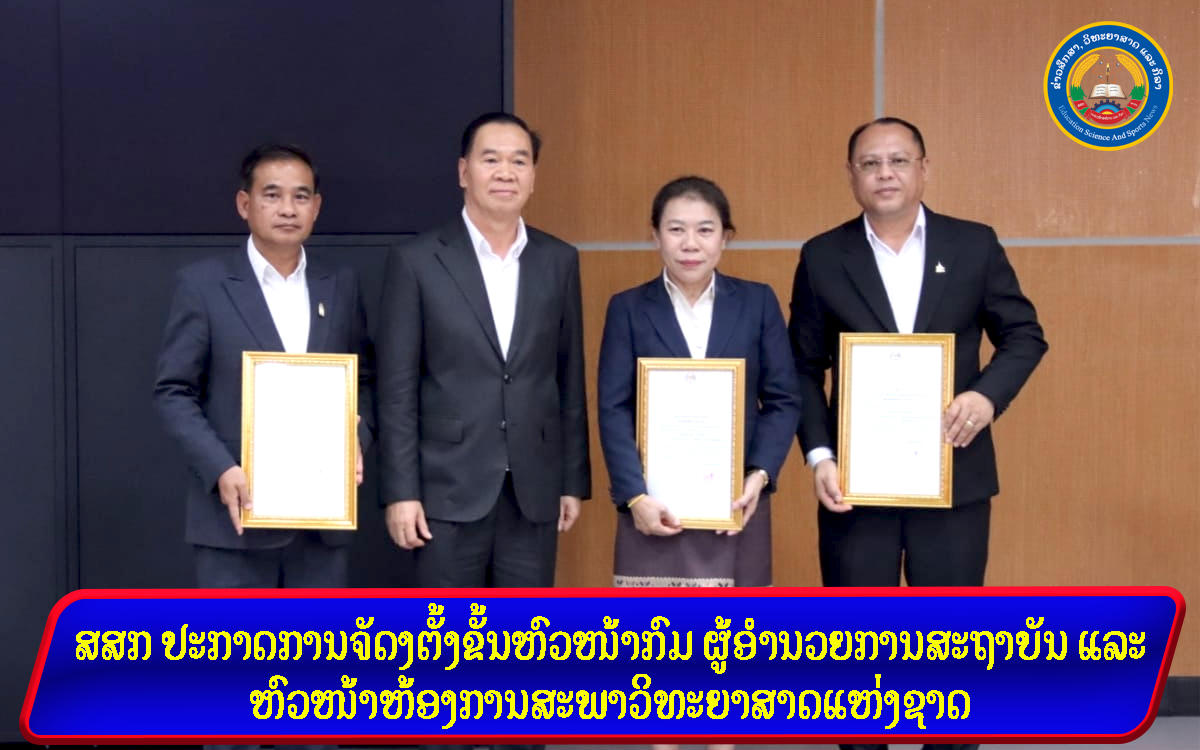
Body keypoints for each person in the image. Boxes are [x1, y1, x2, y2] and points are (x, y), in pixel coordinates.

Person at [788, 117, 1046, 750]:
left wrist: (986, 396)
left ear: (924, 169)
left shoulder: (973, 244)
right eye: (870, 163)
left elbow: (1023, 335)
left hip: (954, 475)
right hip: (855, 484)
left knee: (953, 649)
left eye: (898, 161)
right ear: (851, 175)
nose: (885, 174)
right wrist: (820, 455)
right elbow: (802, 367)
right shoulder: (822, 255)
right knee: (853, 653)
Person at [154, 143, 375, 750]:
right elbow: (173, 391)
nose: (287, 208)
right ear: (244, 204)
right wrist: (220, 466)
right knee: (232, 706)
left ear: (317, 207)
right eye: (272, 195)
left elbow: (365, 382)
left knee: (321, 707)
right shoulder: (203, 284)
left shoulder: (341, 284)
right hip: (234, 524)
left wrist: (355, 439)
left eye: (301, 196)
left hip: (320, 529)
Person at [376, 112, 591, 591]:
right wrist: (400, 492)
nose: (505, 172)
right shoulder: (417, 261)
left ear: (533, 176)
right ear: (463, 172)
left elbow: (568, 376)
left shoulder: (558, 260)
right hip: (446, 490)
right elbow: (396, 389)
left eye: (519, 161)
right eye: (490, 159)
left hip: (533, 491)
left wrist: (572, 480)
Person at [597, 176, 801, 595]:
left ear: (725, 238)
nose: (690, 244)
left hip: (736, 500)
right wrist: (634, 496)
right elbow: (613, 407)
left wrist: (759, 476)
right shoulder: (628, 308)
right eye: (676, 229)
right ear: (655, 236)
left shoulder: (757, 302)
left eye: (705, 230)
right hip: (653, 504)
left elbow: (783, 399)